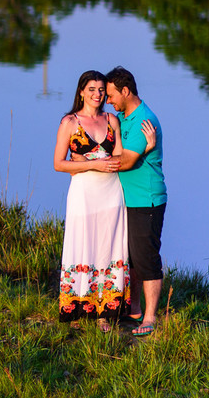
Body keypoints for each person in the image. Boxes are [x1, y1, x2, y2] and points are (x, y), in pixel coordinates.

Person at [51, 70, 130, 330]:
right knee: (82, 244)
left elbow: (119, 157)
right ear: (81, 92)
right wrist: (89, 164)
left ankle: (104, 312)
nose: (97, 94)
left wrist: (148, 147)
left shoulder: (112, 120)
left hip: (111, 194)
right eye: (92, 89)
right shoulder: (69, 122)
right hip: (83, 196)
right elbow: (58, 164)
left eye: (101, 90)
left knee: (108, 247)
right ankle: (77, 308)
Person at [104, 65, 166, 338]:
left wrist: (89, 164)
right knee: (129, 258)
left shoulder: (144, 120)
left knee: (146, 258)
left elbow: (126, 162)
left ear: (126, 91)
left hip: (146, 200)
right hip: (125, 200)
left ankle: (150, 318)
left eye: (111, 95)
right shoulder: (122, 117)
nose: (108, 100)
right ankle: (134, 309)